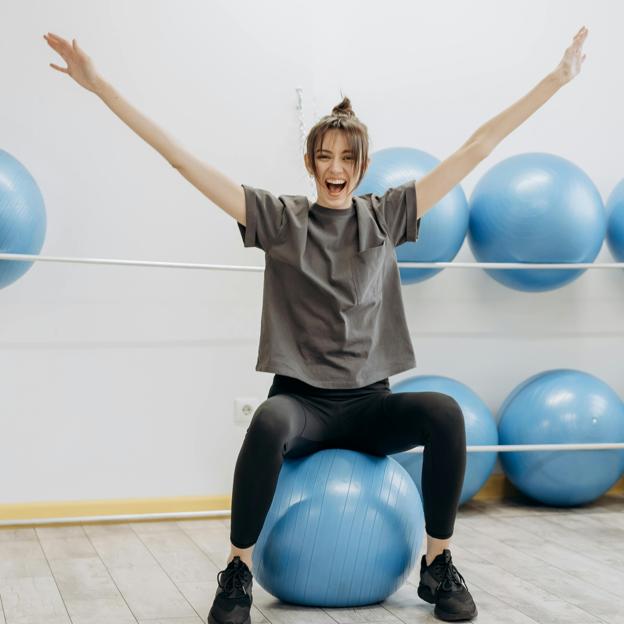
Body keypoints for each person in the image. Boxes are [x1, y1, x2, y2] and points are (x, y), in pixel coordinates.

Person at [44, 25, 588, 623]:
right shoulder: (281, 220)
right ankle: (237, 572)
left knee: (443, 412)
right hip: (302, 404)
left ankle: (438, 564)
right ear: (310, 163)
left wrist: (556, 80)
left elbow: (477, 147)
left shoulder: (386, 217)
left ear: (362, 166)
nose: (336, 168)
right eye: (325, 156)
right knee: (268, 418)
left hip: (370, 405)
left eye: (347, 158)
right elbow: (180, 158)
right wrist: (99, 87)